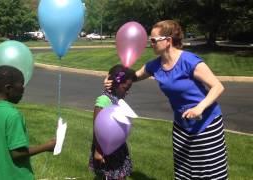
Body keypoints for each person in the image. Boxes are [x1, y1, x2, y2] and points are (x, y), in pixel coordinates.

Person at [105, 20, 228, 179]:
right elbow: (132, 77)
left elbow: (218, 87)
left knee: (211, 171)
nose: (151, 43)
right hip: (181, 126)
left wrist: (200, 107)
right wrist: (113, 79)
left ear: (168, 41)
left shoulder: (189, 61)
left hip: (206, 123)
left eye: (154, 40)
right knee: (184, 171)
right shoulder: (155, 66)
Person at [0, 65, 56, 180]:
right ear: (8, 88)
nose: (23, 88)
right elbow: (17, 154)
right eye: (21, 84)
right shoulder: (13, 115)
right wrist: (47, 146)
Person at [89, 64, 137, 180]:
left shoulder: (117, 99)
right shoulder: (104, 100)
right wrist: (99, 151)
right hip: (104, 149)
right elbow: (98, 128)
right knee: (110, 175)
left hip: (117, 147)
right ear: (115, 84)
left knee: (120, 175)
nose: (127, 92)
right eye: (125, 88)